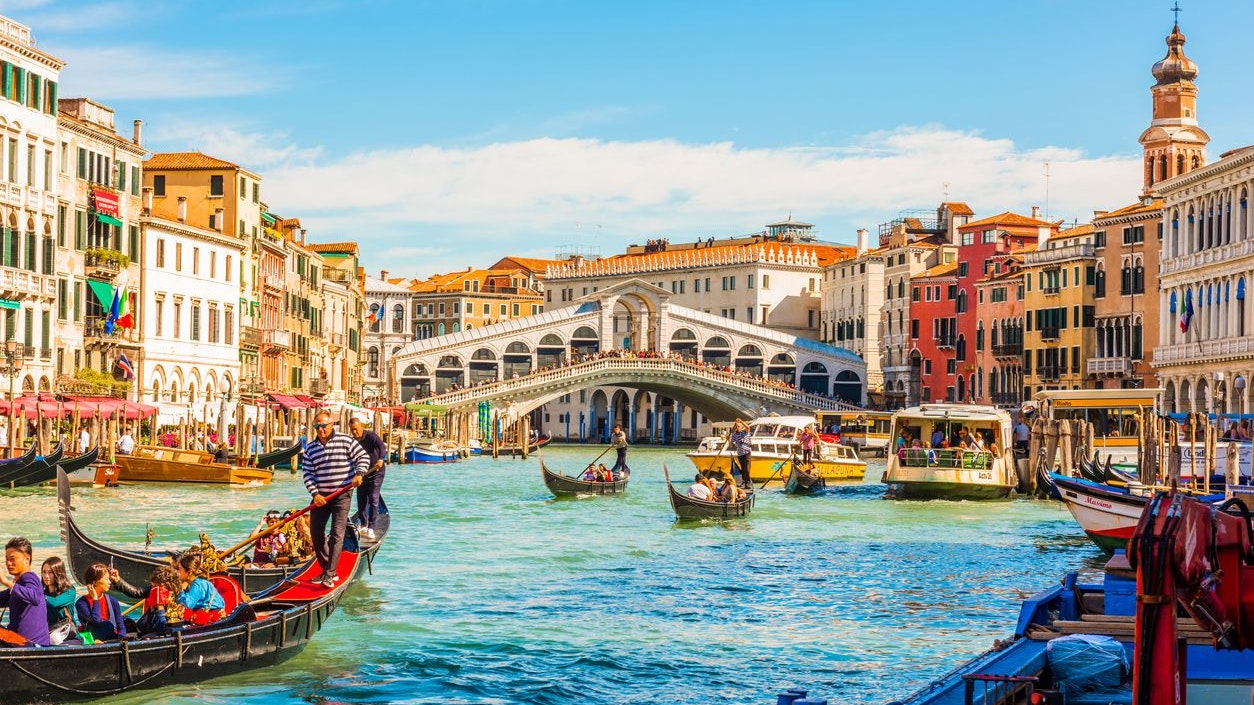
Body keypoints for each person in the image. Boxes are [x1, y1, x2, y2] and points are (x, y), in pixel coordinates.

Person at [301, 411, 368, 588]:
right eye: (317, 426)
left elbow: (363, 457)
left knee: (337, 534)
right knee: (315, 532)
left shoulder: (345, 440)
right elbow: (307, 473)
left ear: (332, 425)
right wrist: (315, 494)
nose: (320, 429)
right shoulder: (310, 448)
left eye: (323, 426)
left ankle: (331, 574)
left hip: (342, 494)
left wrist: (359, 473)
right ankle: (325, 569)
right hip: (321, 497)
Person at [0, 537, 49, 646]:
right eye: (6, 559)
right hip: (17, 643)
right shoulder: (18, 586)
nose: (8, 563)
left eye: (12, 558)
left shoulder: (29, 577)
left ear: (27, 558)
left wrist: (6, 582)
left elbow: (35, 597)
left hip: (33, 646)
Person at [348, 418, 387, 541]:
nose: (354, 432)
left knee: (373, 498)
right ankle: (363, 524)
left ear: (361, 426)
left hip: (376, 472)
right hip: (362, 474)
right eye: (352, 430)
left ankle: (371, 527)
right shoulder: (353, 441)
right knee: (361, 499)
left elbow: (381, 446)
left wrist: (381, 459)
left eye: (356, 429)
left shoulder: (370, 436)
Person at [75, 562, 126, 642]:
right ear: (94, 582)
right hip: (92, 643)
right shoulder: (81, 604)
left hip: (112, 641)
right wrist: (95, 599)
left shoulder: (113, 601)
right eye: (106, 579)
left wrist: (120, 641)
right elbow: (97, 621)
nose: (109, 582)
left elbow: (121, 627)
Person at [173, 554, 226, 625]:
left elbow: (186, 605)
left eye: (179, 569)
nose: (177, 573)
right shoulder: (200, 582)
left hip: (211, 619)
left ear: (189, 572)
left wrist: (180, 589)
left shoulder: (197, 585)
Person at [40, 556, 76, 631]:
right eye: (44, 572)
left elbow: (55, 603)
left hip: (67, 635)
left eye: (50, 572)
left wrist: (35, 595)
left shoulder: (69, 592)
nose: (46, 576)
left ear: (58, 573)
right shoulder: (42, 593)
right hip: (48, 633)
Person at [729, 419, 752, 489]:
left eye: (738, 426)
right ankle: (744, 481)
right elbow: (731, 444)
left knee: (747, 469)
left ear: (742, 427)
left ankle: (747, 482)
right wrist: (728, 439)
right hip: (740, 454)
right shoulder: (734, 434)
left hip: (747, 453)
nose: (737, 427)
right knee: (743, 469)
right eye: (736, 426)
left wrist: (741, 421)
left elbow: (748, 427)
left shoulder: (745, 432)